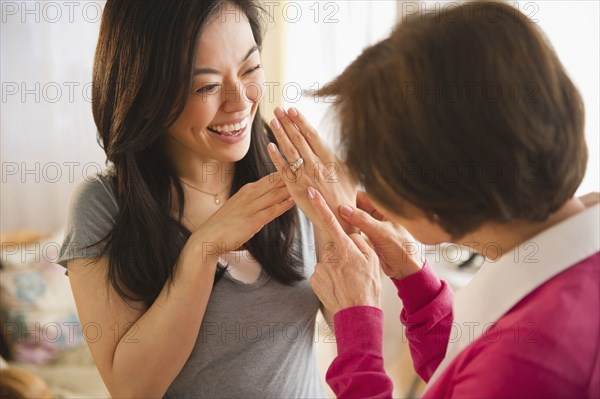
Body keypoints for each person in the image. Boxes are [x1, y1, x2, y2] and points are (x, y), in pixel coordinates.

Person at [267, 1, 599, 398]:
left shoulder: (529, 360)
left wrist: (356, 328)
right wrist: (415, 280)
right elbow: (461, 376)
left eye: (379, 172)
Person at [56, 1, 350, 397]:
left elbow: (350, 329)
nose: (240, 101)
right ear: (145, 98)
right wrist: (202, 250)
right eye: (207, 86)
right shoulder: (104, 206)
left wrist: (338, 225)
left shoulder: (293, 166)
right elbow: (132, 388)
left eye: (251, 69)